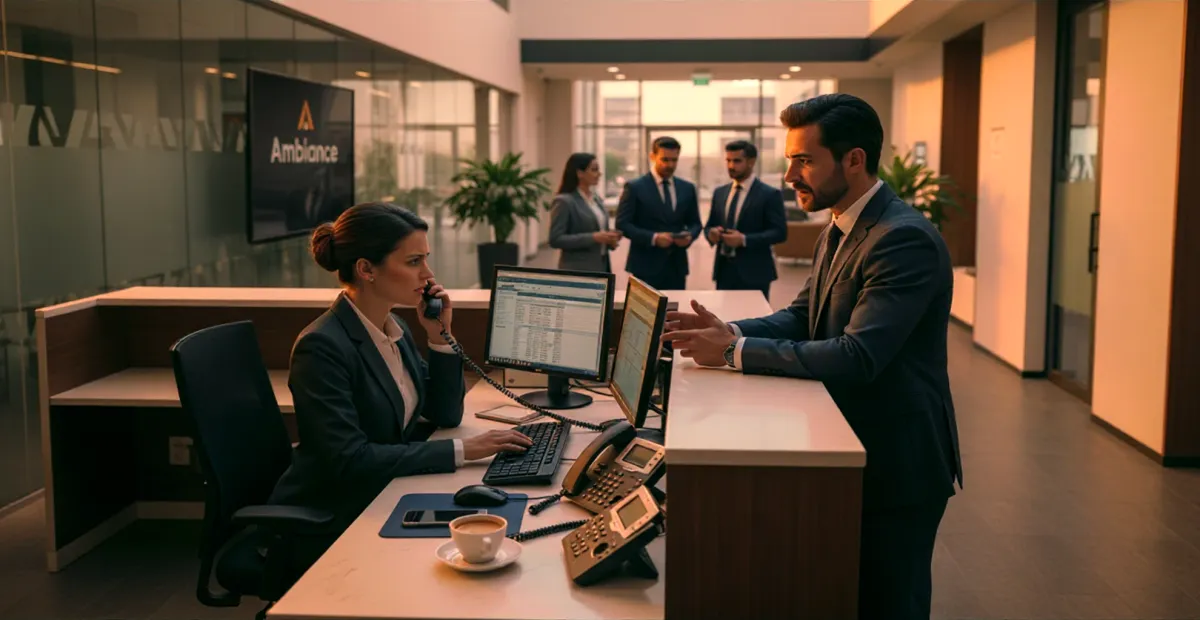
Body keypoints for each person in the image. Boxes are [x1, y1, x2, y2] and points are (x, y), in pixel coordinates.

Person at [662, 94, 962, 620]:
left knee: (890, 601)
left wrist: (733, 351)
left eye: (804, 160)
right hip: (847, 441)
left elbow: (858, 355)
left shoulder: (902, 238)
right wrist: (726, 328)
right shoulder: (842, 223)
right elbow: (802, 316)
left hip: (896, 457)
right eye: (789, 160)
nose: (788, 176)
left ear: (854, 160)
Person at [270, 203, 533, 540]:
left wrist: (439, 338)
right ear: (366, 269)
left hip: (387, 488)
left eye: (425, 258)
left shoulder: (393, 328)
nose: (428, 274)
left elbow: (445, 414)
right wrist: (464, 450)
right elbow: (349, 461)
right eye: (414, 262)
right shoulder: (322, 347)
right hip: (338, 511)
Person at [703, 139, 788, 301]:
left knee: (754, 320)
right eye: (728, 160)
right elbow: (709, 226)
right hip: (723, 271)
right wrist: (711, 234)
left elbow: (780, 233)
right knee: (724, 318)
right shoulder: (720, 193)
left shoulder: (770, 194)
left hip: (754, 272)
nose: (731, 166)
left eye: (736, 161)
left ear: (751, 162)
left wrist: (743, 240)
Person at [615, 136, 702, 290]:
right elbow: (623, 224)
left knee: (674, 313)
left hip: (676, 266)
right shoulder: (635, 187)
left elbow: (695, 223)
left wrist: (689, 236)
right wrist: (654, 238)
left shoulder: (687, 188)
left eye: (674, 160)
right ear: (652, 156)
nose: (670, 165)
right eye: (665, 159)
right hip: (644, 266)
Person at [548, 152, 622, 272]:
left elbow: (599, 230)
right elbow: (555, 239)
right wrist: (593, 237)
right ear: (580, 173)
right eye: (594, 170)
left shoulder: (596, 199)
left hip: (601, 266)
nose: (599, 174)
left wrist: (609, 239)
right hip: (578, 269)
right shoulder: (564, 201)